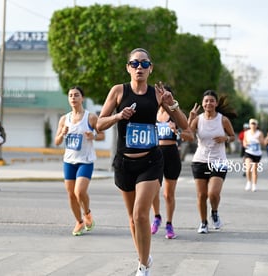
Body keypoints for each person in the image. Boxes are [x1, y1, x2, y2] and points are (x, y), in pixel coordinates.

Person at [96, 48, 188, 276]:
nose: (139, 68)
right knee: (132, 218)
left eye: (144, 64)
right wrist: (118, 116)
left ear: (150, 68)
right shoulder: (118, 91)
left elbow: (184, 125)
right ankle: (143, 257)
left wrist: (171, 103)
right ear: (128, 67)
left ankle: (143, 267)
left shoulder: (158, 95)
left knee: (140, 214)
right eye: (135, 63)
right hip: (125, 163)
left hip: (150, 162)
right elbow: (99, 124)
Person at [54, 86, 105, 236]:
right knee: (71, 194)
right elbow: (57, 142)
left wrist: (93, 136)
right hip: (69, 161)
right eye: (70, 95)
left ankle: (87, 213)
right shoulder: (64, 119)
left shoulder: (90, 117)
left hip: (85, 160)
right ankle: (79, 222)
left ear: (82, 98)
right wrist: (62, 134)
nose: (73, 98)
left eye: (76, 95)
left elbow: (102, 135)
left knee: (79, 191)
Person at [188, 90, 236, 234]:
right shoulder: (198, 119)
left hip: (218, 161)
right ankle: (203, 223)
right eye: (206, 101)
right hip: (200, 160)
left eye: (211, 100)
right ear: (203, 104)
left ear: (215, 103)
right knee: (202, 195)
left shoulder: (223, 120)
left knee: (213, 193)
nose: (208, 103)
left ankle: (214, 212)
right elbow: (188, 135)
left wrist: (226, 139)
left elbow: (233, 136)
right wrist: (190, 118)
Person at [151, 86, 194, 240]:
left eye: (165, 95)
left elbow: (189, 135)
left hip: (171, 154)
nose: (162, 98)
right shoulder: (152, 112)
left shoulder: (175, 115)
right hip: (155, 154)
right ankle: (157, 216)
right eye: (159, 95)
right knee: (152, 190)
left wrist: (177, 132)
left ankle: (169, 223)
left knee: (168, 194)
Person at [243, 118, 265, 192]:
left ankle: (254, 185)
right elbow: (244, 141)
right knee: (248, 168)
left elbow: (263, 143)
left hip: (257, 153)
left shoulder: (259, 133)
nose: (253, 125)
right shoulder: (246, 133)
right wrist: (246, 144)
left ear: (256, 125)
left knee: (254, 170)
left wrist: (259, 140)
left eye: (254, 124)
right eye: (251, 123)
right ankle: (249, 182)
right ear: (249, 125)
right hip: (248, 152)